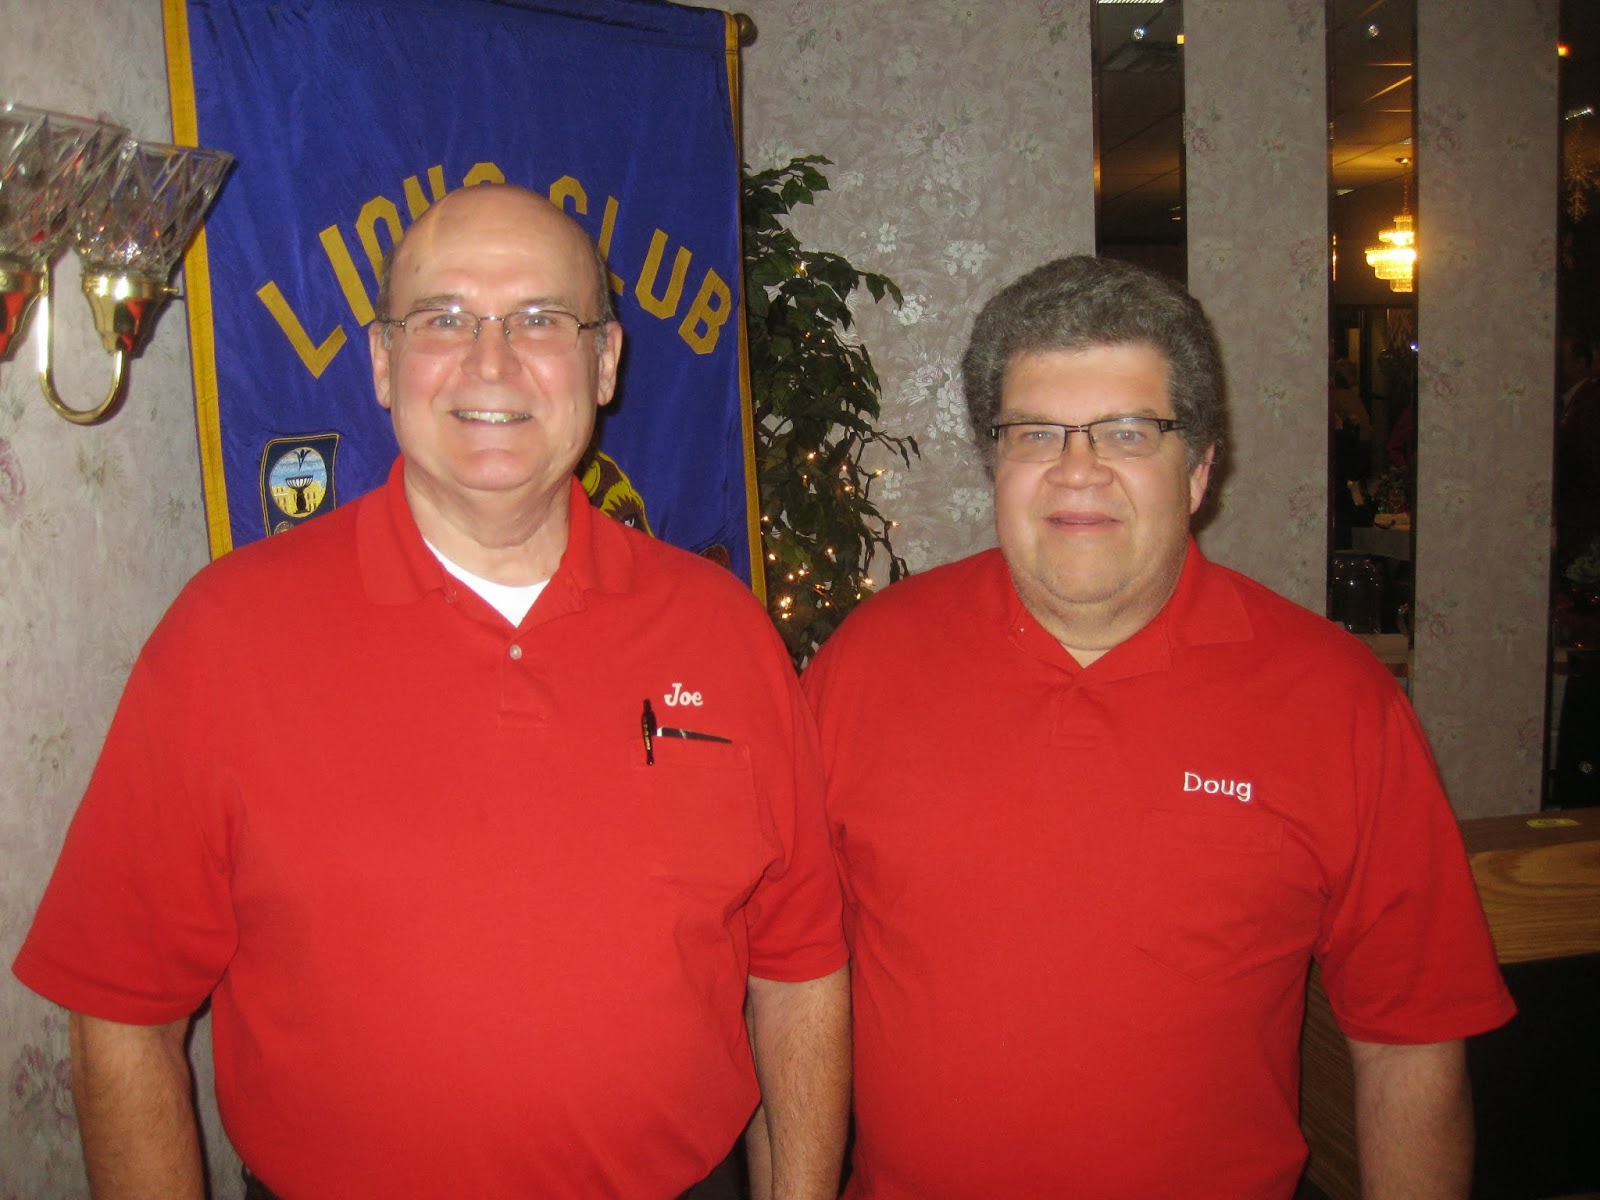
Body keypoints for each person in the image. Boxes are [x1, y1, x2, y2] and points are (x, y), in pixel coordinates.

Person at [14, 184, 849, 1200]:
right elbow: (119, 1008)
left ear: (605, 362)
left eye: (541, 319)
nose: (491, 362)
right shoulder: (225, 635)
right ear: (382, 362)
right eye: (445, 319)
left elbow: (799, 966)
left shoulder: (724, 632)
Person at [802, 256, 1514, 1199]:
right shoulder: (866, 664)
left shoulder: (1336, 701)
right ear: (993, 462)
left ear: (1200, 470)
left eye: (1130, 432)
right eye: (1036, 432)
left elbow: (1410, 1042)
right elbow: (792, 975)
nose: (1078, 469)